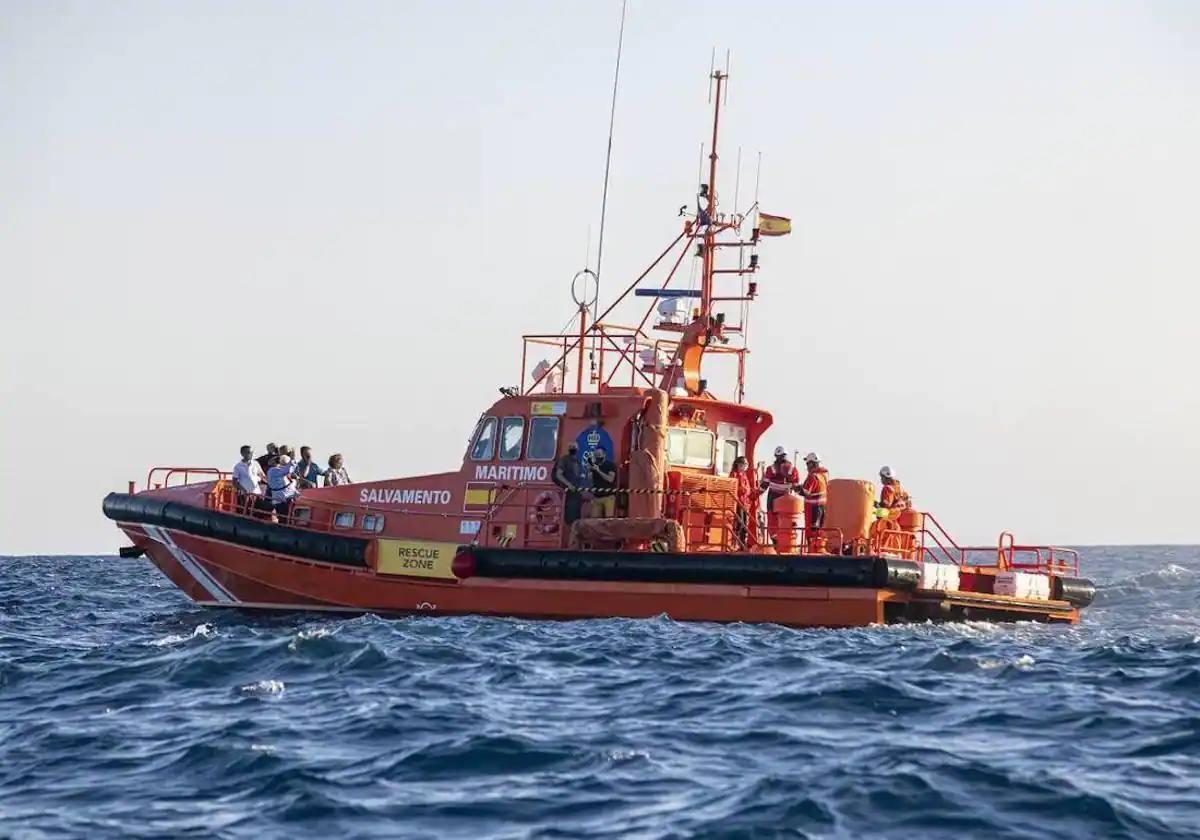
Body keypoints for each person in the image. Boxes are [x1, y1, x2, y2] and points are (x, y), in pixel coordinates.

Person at [799, 452, 829, 547]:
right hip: (821, 509)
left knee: (811, 532)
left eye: (808, 464)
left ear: (812, 464)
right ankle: (818, 548)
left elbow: (805, 492)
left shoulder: (813, 477)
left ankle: (812, 549)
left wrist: (796, 488)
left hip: (813, 510)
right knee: (818, 531)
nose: (807, 467)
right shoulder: (824, 476)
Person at [759, 446, 800, 512]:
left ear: (775, 456)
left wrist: (756, 494)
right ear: (786, 456)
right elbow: (796, 487)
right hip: (786, 497)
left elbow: (764, 485)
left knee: (772, 518)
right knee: (785, 519)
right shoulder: (793, 470)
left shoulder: (770, 469)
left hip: (772, 498)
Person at [553, 442, 584, 526]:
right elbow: (559, 474)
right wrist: (569, 485)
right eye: (571, 447)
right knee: (570, 517)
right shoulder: (564, 460)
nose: (573, 448)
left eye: (574, 447)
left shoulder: (578, 461)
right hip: (568, 493)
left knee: (576, 517)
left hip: (576, 493)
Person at [232, 445, 266, 514]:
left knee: (258, 512)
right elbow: (234, 482)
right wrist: (243, 490)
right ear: (242, 454)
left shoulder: (256, 463)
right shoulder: (238, 466)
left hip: (257, 493)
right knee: (246, 512)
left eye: (251, 452)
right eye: (248, 452)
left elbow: (262, 475)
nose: (250, 454)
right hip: (245, 495)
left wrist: (261, 479)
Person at [731, 455, 755, 549]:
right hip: (738, 502)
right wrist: (743, 490)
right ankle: (736, 543)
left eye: (746, 464)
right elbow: (734, 487)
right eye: (744, 464)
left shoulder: (744, 475)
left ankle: (742, 543)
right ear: (738, 464)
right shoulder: (734, 474)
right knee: (739, 523)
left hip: (745, 503)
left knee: (744, 524)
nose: (745, 466)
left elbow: (747, 488)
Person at [586, 449, 618, 518]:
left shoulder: (610, 465)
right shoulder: (594, 466)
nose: (598, 457)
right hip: (597, 497)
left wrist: (598, 470)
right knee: (594, 519)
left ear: (604, 455)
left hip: (608, 496)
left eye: (599, 455)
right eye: (596, 455)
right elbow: (590, 481)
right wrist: (589, 471)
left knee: (609, 519)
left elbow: (610, 479)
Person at [266, 454, 299, 520]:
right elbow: (287, 470)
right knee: (284, 517)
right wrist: (292, 461)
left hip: (288, 497)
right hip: (281, 498)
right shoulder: (273, 470)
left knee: (291, 516)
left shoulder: (278, 471)